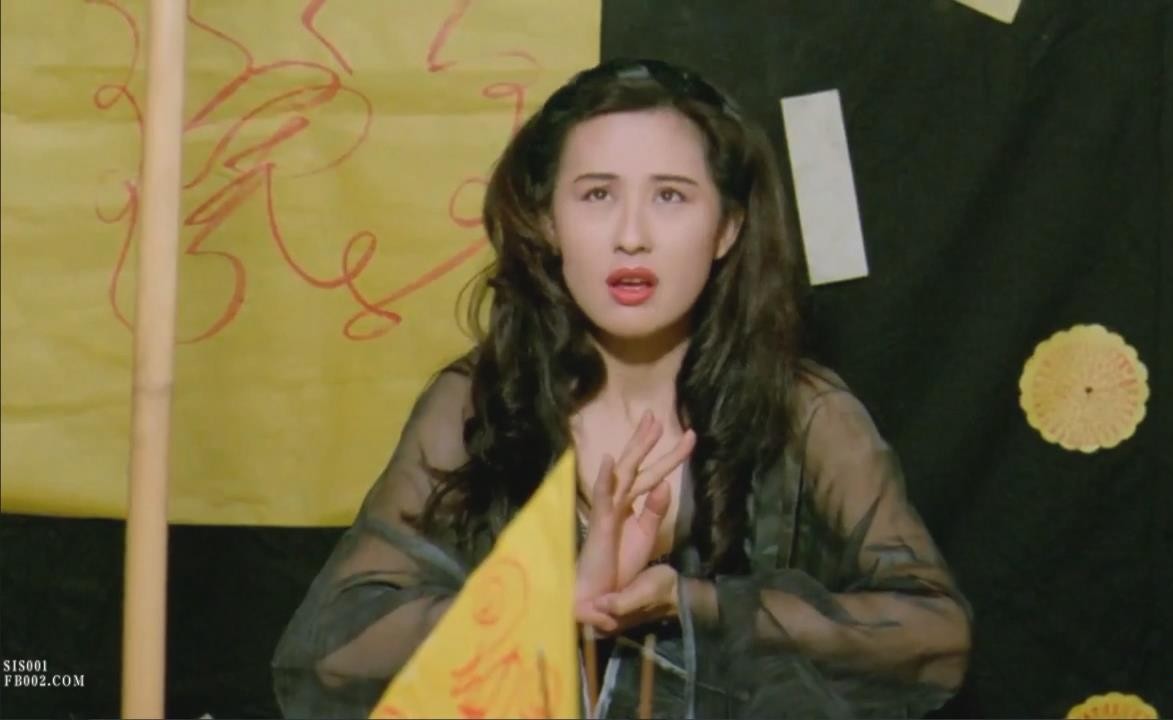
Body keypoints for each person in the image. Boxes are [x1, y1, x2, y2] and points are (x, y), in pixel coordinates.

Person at [271, 57, 972, 719]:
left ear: (727, 228)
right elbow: (332, 648)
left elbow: (936, 637)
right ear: (548, 221)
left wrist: (691, 604)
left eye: (670, 196)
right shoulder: (477, 401)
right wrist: (546, 606)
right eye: (598, 194)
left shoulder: (804, 408)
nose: (631, 236)